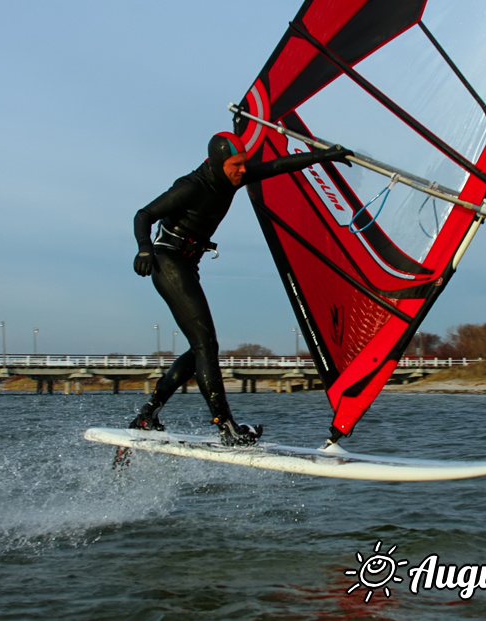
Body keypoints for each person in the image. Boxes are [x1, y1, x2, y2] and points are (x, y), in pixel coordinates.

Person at [131, 131, 351, 445]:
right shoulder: (191, 186)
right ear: (219, 162)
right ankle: (226, 427)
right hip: (166, 262)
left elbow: (277, 166)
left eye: (244, 163)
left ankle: (148, 414)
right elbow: (145, 214)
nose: (243, 170)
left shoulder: (232, 177)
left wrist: (323, 156)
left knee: (200, 348)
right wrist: (143, 249)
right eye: (236, 164)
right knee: (207, 344)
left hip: (188, 264)